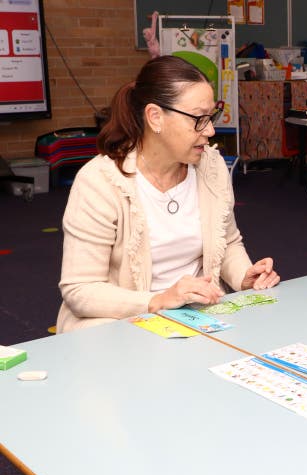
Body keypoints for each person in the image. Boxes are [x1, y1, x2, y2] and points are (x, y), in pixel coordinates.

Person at [57, 56, 280, 333]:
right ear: (155, 117)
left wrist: (244, 276)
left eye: (211, 117)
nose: (210, 130)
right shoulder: (100, 182)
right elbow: (81, 290)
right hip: (124, 324)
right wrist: (159, 300)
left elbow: (228, 241)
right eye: (199, 119)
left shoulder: (211, 166)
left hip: (199, 319)